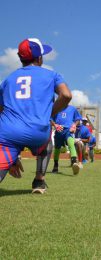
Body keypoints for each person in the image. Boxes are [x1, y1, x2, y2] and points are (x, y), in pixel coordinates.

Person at [0, 38, 72, 193]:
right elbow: (66, 95)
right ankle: (39, 181)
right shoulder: (52, 75)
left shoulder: (8, 79)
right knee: (47, 144)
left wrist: (12, 158)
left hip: (7, 134)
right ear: (39, 58)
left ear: (20, 58)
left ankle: (10, 159)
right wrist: (49, 113)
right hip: (37, 133)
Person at [51, 105, 82, 175]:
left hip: (68, 130)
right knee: (57, 148)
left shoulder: (72, 109)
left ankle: (74, 163)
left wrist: (74, 125)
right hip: (59, 131)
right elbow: (50, 119)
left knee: (71, 143)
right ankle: (55, 165)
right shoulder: (56, 108)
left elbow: (78, 119)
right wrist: (55, 125)